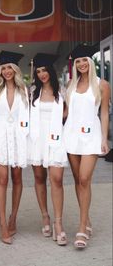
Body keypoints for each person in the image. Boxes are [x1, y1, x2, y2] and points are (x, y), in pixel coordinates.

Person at [63, 44, 110, 249]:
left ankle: (82, 227)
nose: (81, 64)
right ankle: (87, 219)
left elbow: (105, 113)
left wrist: (104, 139)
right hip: (71, 136)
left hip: (91, 136)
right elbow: (66, 112)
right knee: (77, 180)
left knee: (84, 178)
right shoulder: (70, 85)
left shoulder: (102, 84)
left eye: (84, 60)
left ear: (90, 62)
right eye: (78, 61)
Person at [0, 50, 29, 244]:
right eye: (3, 68)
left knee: (17, 178)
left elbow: (27, 117)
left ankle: (13, 218)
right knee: (2, 179)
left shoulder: (24, 90)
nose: (6, 71)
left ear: (16, 69)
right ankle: (3, 224)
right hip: (1, 138)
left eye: (9, 67)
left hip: (18, 137)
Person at [28, 53, 68, 246]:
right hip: (37, 140)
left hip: (56, 139)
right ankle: (45, 215)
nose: (42, 74)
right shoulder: (32, 92)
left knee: (57, 180)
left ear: (50, 70)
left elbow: (69, 115)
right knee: (39, 178)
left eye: (44, 70)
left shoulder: (63, 92)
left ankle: (58, 224)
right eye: (38, 71)